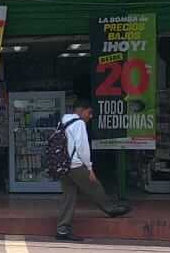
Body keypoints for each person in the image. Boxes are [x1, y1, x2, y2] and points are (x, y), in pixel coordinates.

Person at [56, 99, 132, 241]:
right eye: (89, 112)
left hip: (63, 165)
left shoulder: (63, 121)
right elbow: (83, 148)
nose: (90, 116)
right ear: (80, 110)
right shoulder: (78, 124)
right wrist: (89, 167)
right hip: (75, 164)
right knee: (94, 185)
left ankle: (62, 229)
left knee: (69, 197)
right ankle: (110, 209)